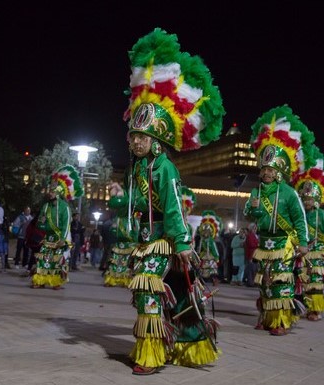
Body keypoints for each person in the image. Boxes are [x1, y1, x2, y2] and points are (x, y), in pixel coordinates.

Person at [108, 28, 225, 375]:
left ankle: (151, 353)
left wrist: (183, 243)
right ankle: (170, 346)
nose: (135, 143)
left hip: (164, 242)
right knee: (166, 296)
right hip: (148, 240)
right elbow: (135, 202)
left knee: (148, 293)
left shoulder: (164, 168)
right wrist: (118, 201)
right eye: (133, 138)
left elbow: (173, 206)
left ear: (156, 138)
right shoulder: (141, 168)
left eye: (141, 138)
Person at [244, 105, 313, 336]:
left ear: (279, 170)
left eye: (270, 170)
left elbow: (300, 220)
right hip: (264, 244)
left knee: (281, 281)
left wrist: (303, 242)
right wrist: (252, 209)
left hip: (284, 243)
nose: (266, 173)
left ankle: (281, 321)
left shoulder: (289, 193)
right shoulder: (256, 192)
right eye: (264, 169)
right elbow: (248, 214)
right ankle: (266, 317)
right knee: (264, 283)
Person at [292, 150, 324, 322]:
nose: (306, 202)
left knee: (315, 281)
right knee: (301, 280)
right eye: (304, 199)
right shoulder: (299, 214)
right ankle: (303, 306)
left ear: (317, 199)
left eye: (309, 199)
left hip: (318, 252)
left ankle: (316, 309)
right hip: (302, 252)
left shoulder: (323, 215)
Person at [31, 164, 81, 289]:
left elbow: (66, 225)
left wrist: (63, 239)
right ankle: (40, 280)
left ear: (58, 192)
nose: (50, 192)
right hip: (48, 238)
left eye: (53, 190)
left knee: (58, 261)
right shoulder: (45, 206)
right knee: (44, 260)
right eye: (49, 190)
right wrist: (42, 225)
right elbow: (39, 223)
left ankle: (57, 282)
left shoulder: (65, 207)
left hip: (60, 238)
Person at [102, 210, 137, 288]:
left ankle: (125, 281)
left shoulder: (132, 219)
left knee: (126, 262)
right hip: (118, 244)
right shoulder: (117, 219)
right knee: (115, 261)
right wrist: (115, 231)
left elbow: (135, 232)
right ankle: (111, 280)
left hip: (128, 245)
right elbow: (112, 230)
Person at [196, 211, 222, 284]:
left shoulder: (211, 241)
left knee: (212, 268)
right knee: (202, 268)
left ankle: (214, 279)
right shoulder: (201, 240)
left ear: (210, 232)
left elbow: (214, 249)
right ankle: (201, 280)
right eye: (204, 232)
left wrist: (216, 257)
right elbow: (199, 248)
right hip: (203, 254)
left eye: (207, 232)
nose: (205, 233)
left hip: (210, 255)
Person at [243, 223, 259, 287]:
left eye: (256, 228)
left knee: (254, 269)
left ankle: (252, 281)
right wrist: (258, 245)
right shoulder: (250, 235)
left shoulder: (255, 235)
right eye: (254, 228)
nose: (255, 229)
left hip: (255, 254)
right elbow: (251, 244)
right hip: (251, 254)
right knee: (251, 269)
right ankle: (250, 282)